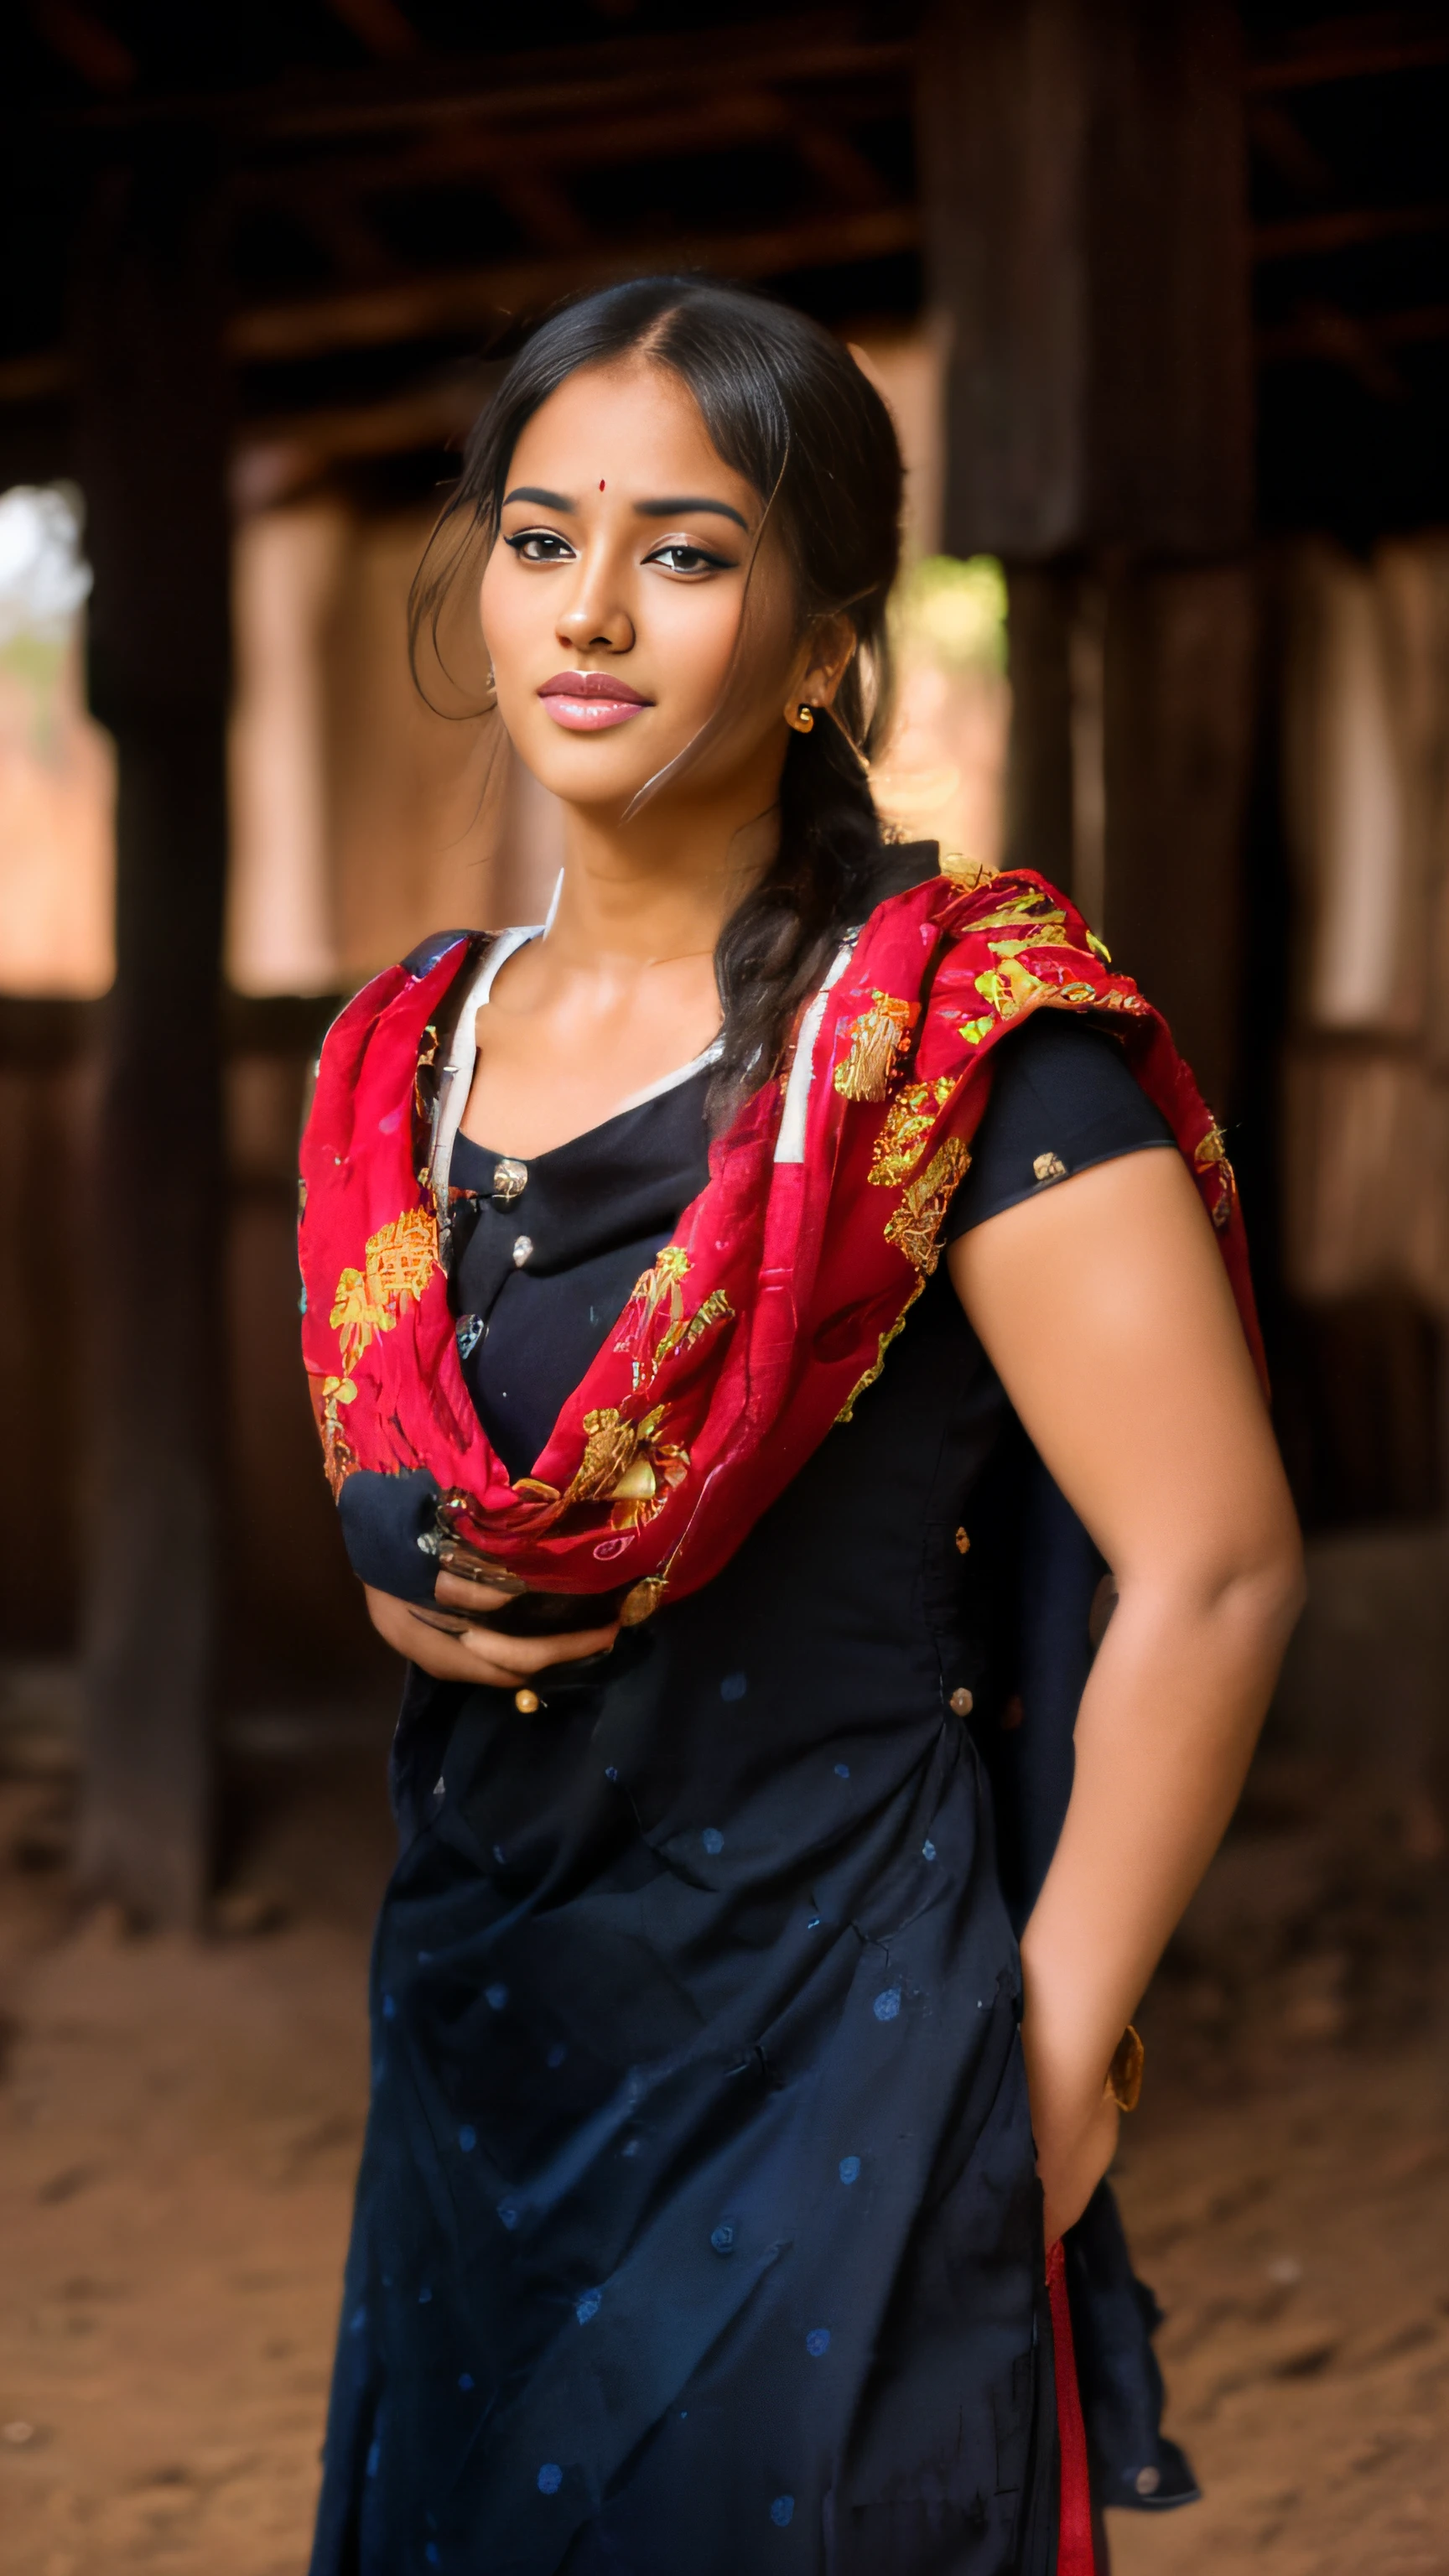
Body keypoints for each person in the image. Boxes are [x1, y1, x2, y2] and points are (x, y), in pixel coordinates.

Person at [299, 277, 1303, 2576]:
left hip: (843, 2039)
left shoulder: (966, 1049)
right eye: (545, 537)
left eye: (686, 549)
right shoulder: (408, 1058)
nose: (594, 609)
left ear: (829, 635)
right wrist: (393, 1546)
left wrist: (1051, 2061)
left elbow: (1216, 1562)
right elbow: (448, 1462)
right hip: (488, 2014)